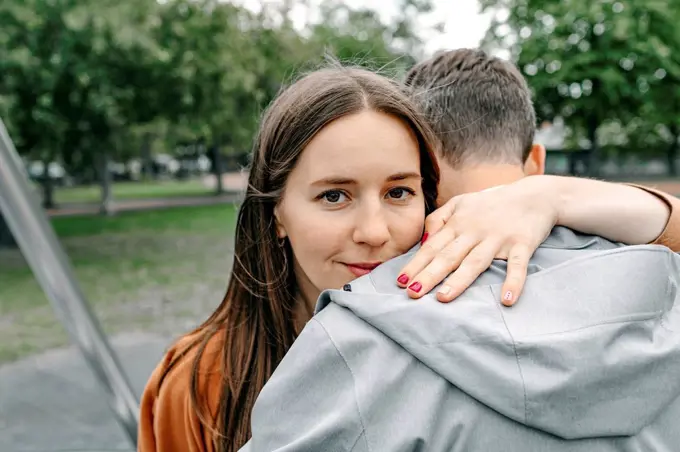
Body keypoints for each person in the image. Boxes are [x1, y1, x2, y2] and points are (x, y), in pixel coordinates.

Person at [139, 62, 680, 452]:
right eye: (334, 195)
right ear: (276, 212)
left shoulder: (460, 330)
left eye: (399, 192)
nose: (375, 232)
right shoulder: (200, 381)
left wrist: (553, 195)